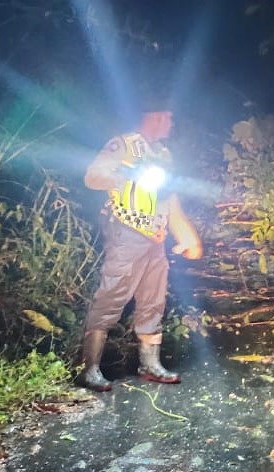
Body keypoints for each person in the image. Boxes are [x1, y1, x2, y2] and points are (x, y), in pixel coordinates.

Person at [79, 105, 203, 392]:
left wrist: (187, 237)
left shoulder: (164, 155)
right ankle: (89, 368)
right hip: (126, 231)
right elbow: (92, 176)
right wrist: (127, 174)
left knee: (153, 299)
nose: (171, 122)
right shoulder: (122, 145)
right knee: (112, 295)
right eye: (166, 116)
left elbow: (170, 202)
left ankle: (150, 364)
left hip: (154, 237)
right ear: (152, 116)